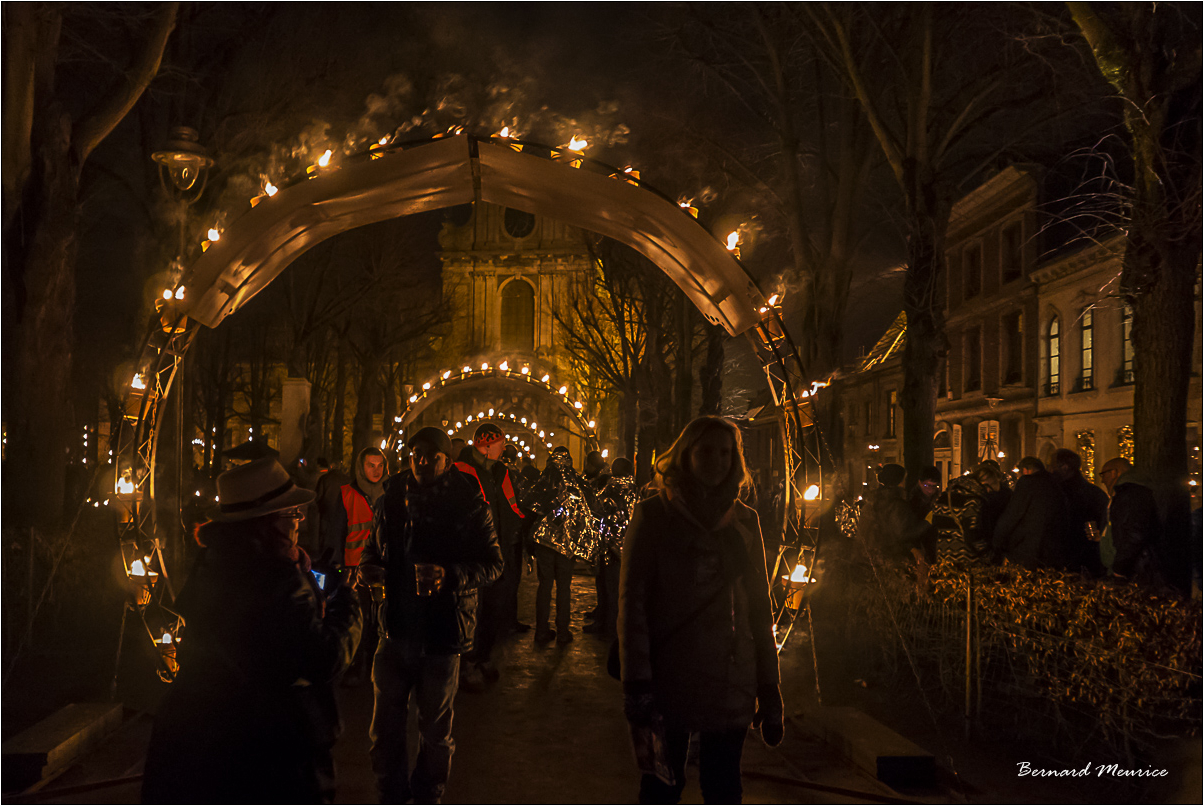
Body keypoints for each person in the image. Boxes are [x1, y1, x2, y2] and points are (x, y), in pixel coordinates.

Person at [142, 458, 362, 804]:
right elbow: (324, 657)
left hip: (195, 740)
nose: (299, 522)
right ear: (265, 523)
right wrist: (348, 605)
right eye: (291, 515)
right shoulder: (276, 579)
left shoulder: (212, 562)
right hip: (268, 751)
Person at [619, 416, 782, 804]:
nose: (716, 460)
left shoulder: (745, 520)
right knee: (661, 789)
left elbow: (759, 606)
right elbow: (633, 603)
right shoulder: (655, 516)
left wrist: (769, 687)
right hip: (669, 679)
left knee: (724, 789)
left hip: (732, 679)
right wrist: (637, 682)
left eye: (725, 452)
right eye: (706, 450)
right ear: (685, 455)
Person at [360, 426, 503, 804]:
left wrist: (450, 574)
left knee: (435, 730)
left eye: (431, 455)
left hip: (442, 631)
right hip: (395, 627)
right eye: (416, 454)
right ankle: (390, 794)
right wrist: (369, 568)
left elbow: (493, 563)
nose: (422, 461)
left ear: (447, 460)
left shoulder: (468, 500)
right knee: (385, 728)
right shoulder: (392, 496)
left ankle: (428, 795)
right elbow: (372, 549)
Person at [454, 424, 527, 687]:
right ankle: (467, 664)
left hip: (498, 552)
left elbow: (510, 508)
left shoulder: (500, 471)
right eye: (500, 444)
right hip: (474, 554)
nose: (504, 448)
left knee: (493, 609)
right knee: (472, 609)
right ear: (485, 446)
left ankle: (483, 656)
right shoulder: (462, 472)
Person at [321, 446, 387, 684]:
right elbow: (337, 531)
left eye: (380, 465)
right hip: (355, 570)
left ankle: (375, 667)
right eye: (371, 465)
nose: (376, 470)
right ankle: (354, 665)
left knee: (381, 620)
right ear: (361, 467)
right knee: (358, 619)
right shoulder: (346, 493)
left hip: (383, 569)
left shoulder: (391, 492)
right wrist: (337, 566)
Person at [523, 446, 601, 644]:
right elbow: (591, 509)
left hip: (544, 542)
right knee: (564, 587)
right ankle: (563, 631)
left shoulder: (545, 480)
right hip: (568, 544)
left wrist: (528, 539)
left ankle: (541, 631)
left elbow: (530, 506)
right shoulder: (577, 483)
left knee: (545, 585)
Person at [586, 457, 638, 636]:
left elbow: (596, 509)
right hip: (626, 546)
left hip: (608, 546)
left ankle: (607, 626)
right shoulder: (634, 490)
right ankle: (611, 625)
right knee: (618, 589)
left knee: (607, 589)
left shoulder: (611, 489)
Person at [992, 456, 1072, 569]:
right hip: (1055, 548)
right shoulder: (1056, 482)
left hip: (1028, 548)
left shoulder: (1027, 483)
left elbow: (1013, 514)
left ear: (1026, 470)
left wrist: (997, 541)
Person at [857, 463, 934, 568]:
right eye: (904, 479)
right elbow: (903, 534)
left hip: (868, 557)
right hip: (890, 560)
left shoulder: (872, 502)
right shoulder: (897, 505)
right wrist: (927, 522)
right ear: (899, 482)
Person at [932, 463, 1004, 563]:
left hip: (943, 556)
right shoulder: (972, 500)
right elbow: (973, 534)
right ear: (985, 484)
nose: (988, 492)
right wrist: (989, 556)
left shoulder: (945, 495)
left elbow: (935, 522)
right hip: (965, 559)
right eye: (990, 489)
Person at [1052, 449, 1109, 576]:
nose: (1050, 469)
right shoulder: (1095, 493)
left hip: (1070, 558)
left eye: (1052, 465)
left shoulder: (1059, 494)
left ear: (1065, 467)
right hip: (1090, 559)